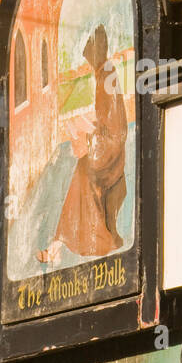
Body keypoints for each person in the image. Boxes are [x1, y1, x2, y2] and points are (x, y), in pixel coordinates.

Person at [38, 23, 128, 265]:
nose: (89, 60)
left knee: (83, 173)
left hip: (111, 151)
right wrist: (88, 127)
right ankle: (57, 244)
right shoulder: (104, 74)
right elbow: (105, 117)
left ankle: (72, 243)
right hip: (107, 144)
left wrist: (89, 138)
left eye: (90, 54)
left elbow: (114, 127)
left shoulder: (107, 73)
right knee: (80, 170)